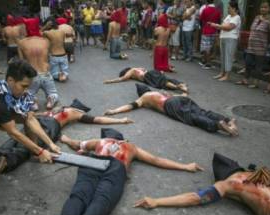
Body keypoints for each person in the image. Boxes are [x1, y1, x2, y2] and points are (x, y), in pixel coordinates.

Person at [56, 128, 203, 215]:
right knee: (102, 198)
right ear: (123, 139)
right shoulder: (130, 147)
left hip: (92, 162)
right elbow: (157, 160)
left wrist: (65, 139)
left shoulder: (100, 142)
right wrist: (185, 166)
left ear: (107, 137)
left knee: (79, 193)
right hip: (116, 166)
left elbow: (77, 144)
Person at [0, 100, 133, 183]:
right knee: (31, 147)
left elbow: (32, 115)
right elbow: (97, 120)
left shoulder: (56, 109)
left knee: (17, 137)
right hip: (50, 126)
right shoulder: (74, 112)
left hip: (36, 120)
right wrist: (120, 120)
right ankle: (6, 161)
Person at [134, 152, 270, 215]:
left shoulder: (232, 184)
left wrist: (157, 201)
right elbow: (196, 198)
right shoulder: (266, 176)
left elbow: (195, 198)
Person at [0, 60, 61, 165]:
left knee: (28, 116)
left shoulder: (21, 92)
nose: (26, 90)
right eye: (24, 86)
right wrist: (41, 151)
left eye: (28, 86)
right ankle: (37, 151)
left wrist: (50, 144)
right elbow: (13, 133)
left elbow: (31, 119)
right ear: (10, 80)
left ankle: (33, 150)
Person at [104, 84, 238, 136]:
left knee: (191, 117)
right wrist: (184, 94)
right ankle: (226, 120)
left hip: (170, 104)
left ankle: (218, 125)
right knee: (201, 111)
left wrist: (114, 111)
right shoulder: (157, 92)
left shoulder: (144, 98)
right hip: (178, 99)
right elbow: (178, 95)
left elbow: (130, 105)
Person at [236, 1, 270, 88]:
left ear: (269, 8)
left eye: (265, 7)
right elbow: (253, 30)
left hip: (261, 47)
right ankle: (245, 80)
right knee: (248, 63)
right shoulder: (256, 17)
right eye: (262, 7)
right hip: (251, 46)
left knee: (258, 67)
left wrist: (268, 45)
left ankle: (256, 83)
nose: (263, 9)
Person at [18, 36, 59, 110]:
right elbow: (48, 58)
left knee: (27, 94)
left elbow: (22, 62)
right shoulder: (46, 41)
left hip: (32, 75)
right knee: (53, 93)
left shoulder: (21, 42)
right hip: (45, 73)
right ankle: (51, 99)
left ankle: (33, 102)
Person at [210, 0, 241, 81]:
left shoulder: (237, 17)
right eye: (228, 8)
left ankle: (227, 75)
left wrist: (217, 25)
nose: (228, 9)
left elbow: (228, 27)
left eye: (229, 8)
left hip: (231, 39)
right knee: (223, 56)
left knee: (228, 57)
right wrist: (220, 26)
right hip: (223, 37)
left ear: (234, 9)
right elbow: (223, 25)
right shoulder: (228, 17)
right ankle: (222, 73)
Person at [103, 67, 188, 93]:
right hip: (151, 72)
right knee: (165, 79)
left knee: (162, 83)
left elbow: (122, 78)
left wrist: (110, 81)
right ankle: (181, 85)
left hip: (147, 76)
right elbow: (143, 69)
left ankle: (178, 87)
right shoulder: (137, 68)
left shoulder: (132, 71)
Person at [199, 0, 221, 69]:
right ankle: (207, 62)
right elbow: (219, 21)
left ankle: (207, 63)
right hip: (214, 30)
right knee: (211, 47)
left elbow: (201, 20)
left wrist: (203, 27)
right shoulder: (218, 11)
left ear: (207, 2)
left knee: (206, 48)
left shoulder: (205, 9)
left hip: (206, 30)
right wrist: (218, 31)